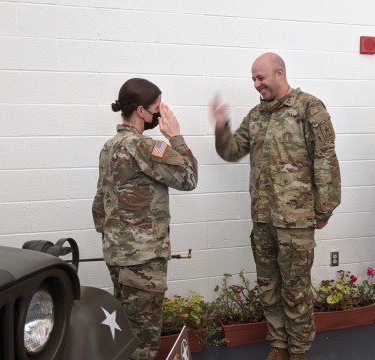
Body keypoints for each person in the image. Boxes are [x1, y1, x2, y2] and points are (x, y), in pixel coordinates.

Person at [210, 52, 341, 360]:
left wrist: (324, 209)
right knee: (269, 287)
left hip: (295, 220)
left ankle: (299, 351)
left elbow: (325, 160)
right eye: (253, 79)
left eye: (261, 78)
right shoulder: (256, 116)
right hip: (263, 219)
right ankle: (279, 346)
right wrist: (221, 126)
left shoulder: (310, 108)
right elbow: (231, 151)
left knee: (295, 290)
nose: (257, 85)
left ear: (279, 74)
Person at [92, 78, 198, 360]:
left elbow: (99, 205)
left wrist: (116, 240)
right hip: (143, 261)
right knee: (143, 342)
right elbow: (189, 179)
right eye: (157, 109)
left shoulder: (109, 147)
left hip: (116, 256)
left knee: (124, 335)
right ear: (141, 111)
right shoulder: (145, 146)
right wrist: (175, 137)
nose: (160, 115)